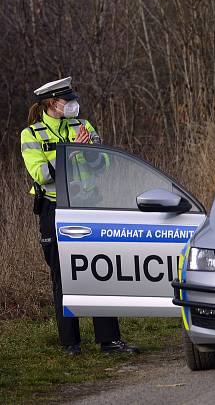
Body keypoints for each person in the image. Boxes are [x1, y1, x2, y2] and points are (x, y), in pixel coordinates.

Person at [20, 77, 139, 356]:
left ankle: (109, 340)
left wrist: (86, 151)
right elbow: (41, 174)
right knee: (63, 277)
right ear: (53, 103)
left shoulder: (83, 126)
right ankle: (71, 344)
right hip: (55, 209)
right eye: (67, 101)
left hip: (89, 206)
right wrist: (71, 150)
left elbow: (103, 163)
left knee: (100, 271)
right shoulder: (32, 135)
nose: (73, 105)